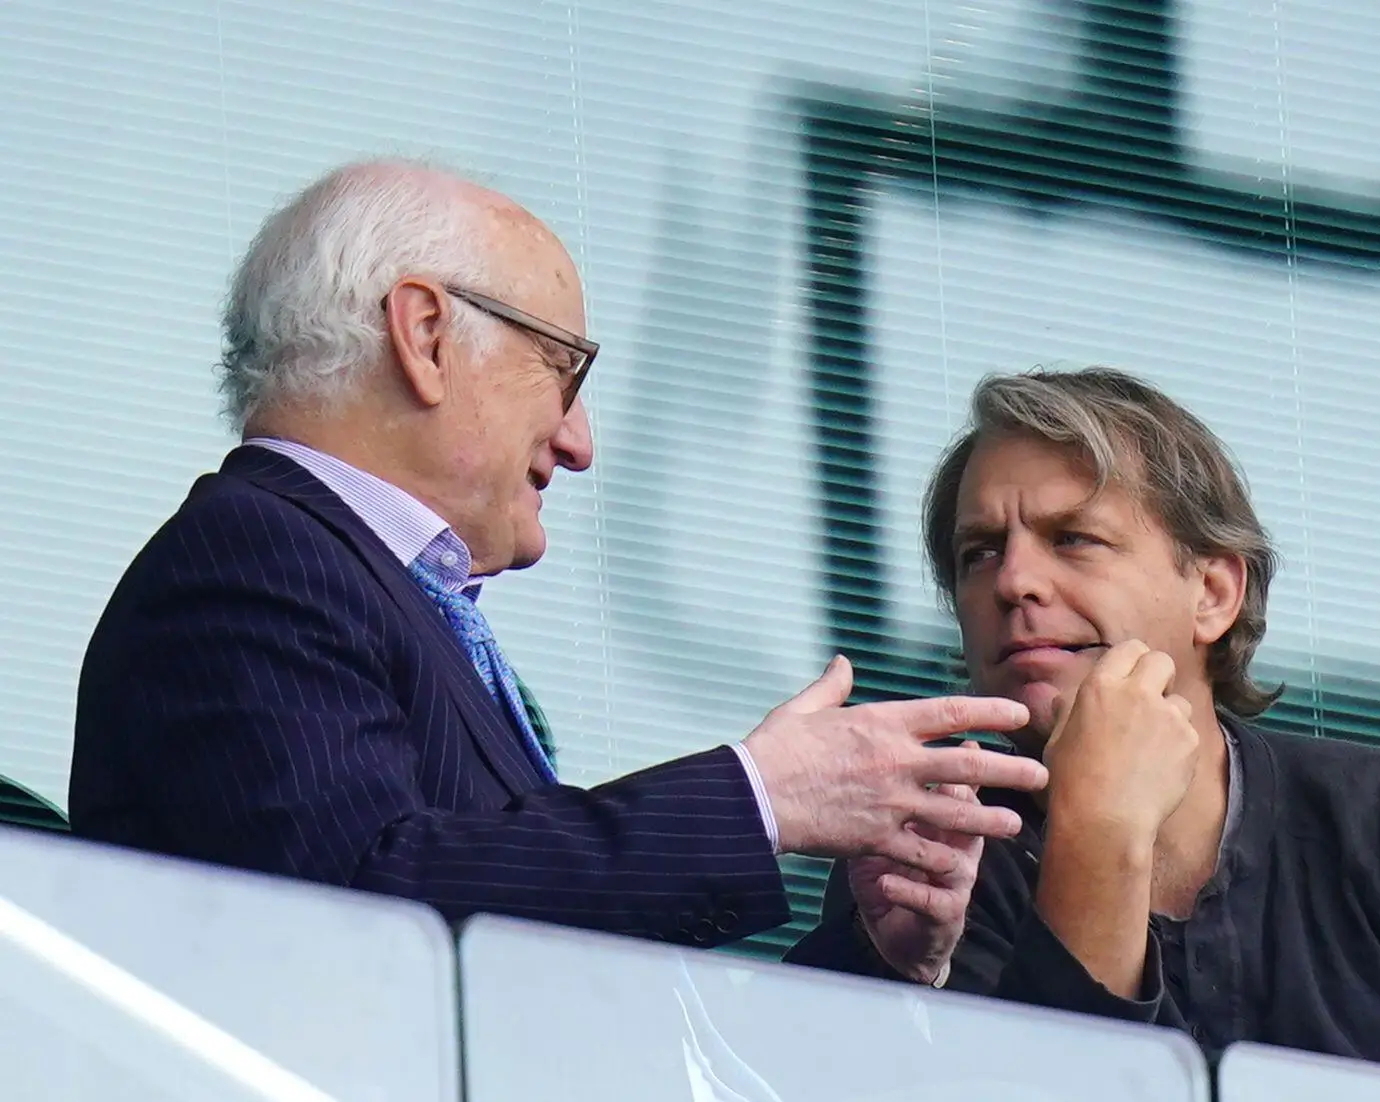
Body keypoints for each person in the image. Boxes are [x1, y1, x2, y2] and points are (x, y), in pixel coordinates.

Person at [70, 160, 1046, 949]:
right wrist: (758, 800)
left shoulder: (367, 590)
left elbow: (561, 980)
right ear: (423, 334)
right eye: (563, 370)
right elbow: (369, 919)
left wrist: (878, 952)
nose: (580, 441)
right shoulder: (253, 561)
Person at [785, 367, 1380, 1100]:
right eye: (978, 553)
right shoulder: (932, 863)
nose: (1013, 581)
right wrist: (1100, 834)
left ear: (1215, 595)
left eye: (1073, 539)